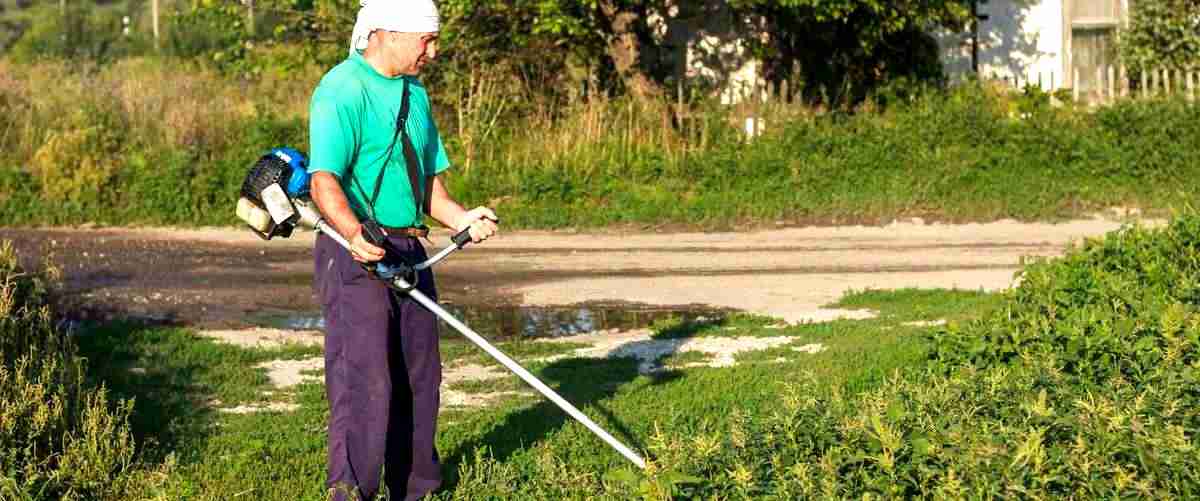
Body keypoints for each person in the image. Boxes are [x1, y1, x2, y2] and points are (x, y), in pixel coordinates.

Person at [306, 1, 498, 499]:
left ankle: (416, 488)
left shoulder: (416, 94)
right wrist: (352, 233)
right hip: (356, 246)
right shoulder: (341, 90)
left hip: (411, 246)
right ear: (387, 33)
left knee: (420, 376)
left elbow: (426, 178)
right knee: (365, 375)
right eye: (425, 41)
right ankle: (350, 488)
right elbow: (324, 179)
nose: (432, 53)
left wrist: (461, 219)